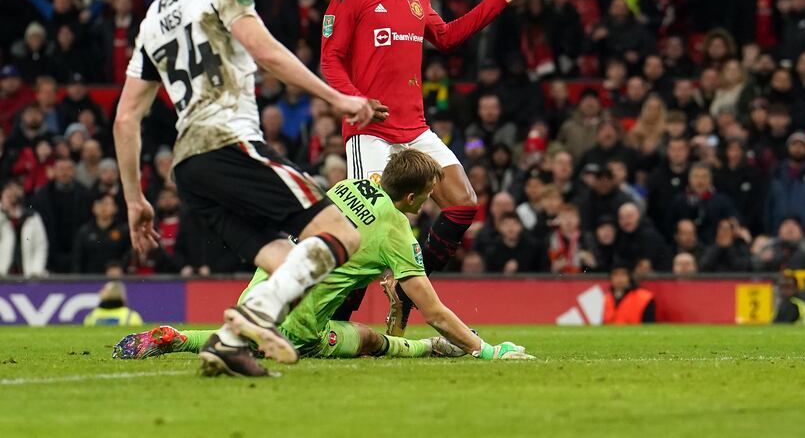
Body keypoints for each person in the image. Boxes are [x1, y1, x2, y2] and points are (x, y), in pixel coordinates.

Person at [114, 0, 372, 378]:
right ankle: (248, 323)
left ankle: (228, 345)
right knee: (341, 233)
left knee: (286, 262)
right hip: (229, 141)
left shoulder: (151, 19)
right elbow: (268, 52)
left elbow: (126, 118)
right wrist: (336, 98)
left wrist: (135, 200)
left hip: (188, 167)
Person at [319, 0, 529, 334]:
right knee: (370, 224)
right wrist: (358, 101)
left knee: (464, 202)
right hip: (370, 132)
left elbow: (448, 37)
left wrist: (497, 0)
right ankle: (335, 315)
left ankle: (405, 290)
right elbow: (330, 61)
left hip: (415, 128)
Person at [113, 149, 531, 362]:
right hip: (299, 323)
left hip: (261, 286)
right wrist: (487, 349)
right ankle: (438, 349)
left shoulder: (348, 186)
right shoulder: (397, 228)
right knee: (366, 340)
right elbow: (433, 308)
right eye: (426, 194)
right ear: (408, 195)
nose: (429, 201)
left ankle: (179, 336)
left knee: (253, 330)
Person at [0, 181, 48, 277]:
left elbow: (40, 246)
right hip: (3, 275)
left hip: (27, 273)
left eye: (15, 191)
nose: (12, 194)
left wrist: (36, 270)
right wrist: (4, 209)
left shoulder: (32, 217)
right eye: (9, 191)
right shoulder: (2, 218)